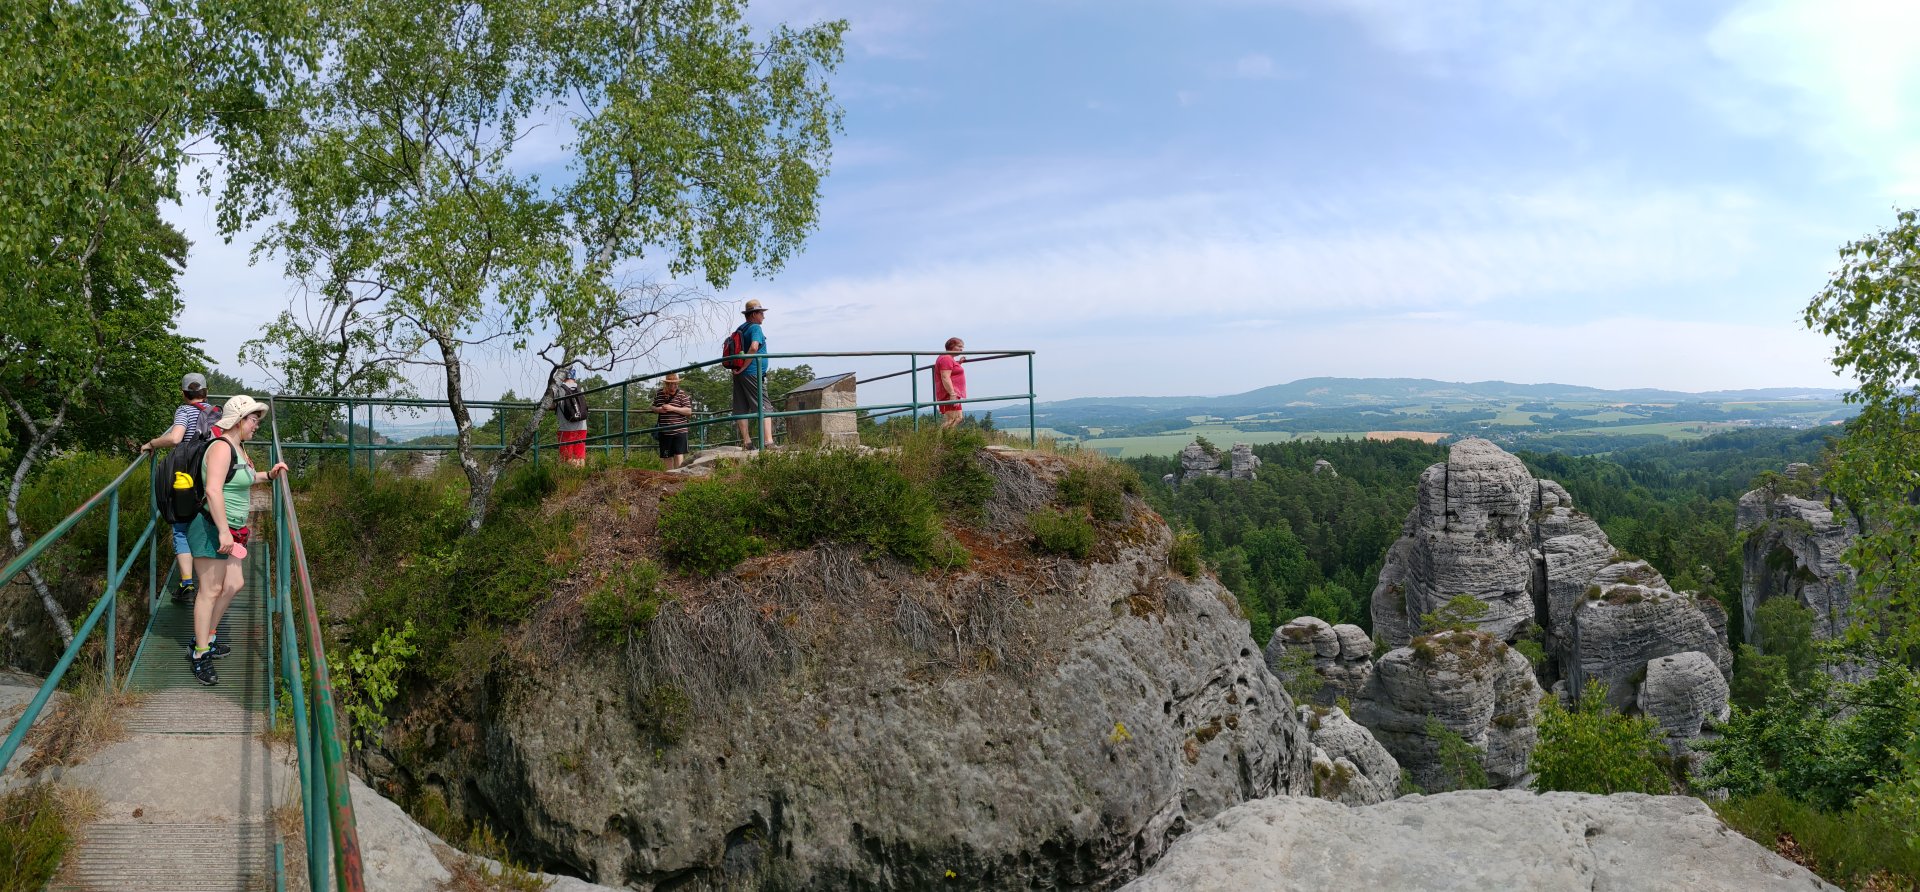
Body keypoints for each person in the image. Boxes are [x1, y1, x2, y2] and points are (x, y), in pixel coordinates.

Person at [186, 395, 287, 686]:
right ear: (239, 420)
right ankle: (200, 653)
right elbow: (213, 490)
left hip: (232, 530)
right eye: (254, 420)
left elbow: (242, 478)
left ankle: (206, 637)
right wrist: (223, 531)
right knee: (210, 590)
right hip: (212, 527)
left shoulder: (237, 448)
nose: (256, 425)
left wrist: (269, 474)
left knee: (233, 584)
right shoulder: (221, 448)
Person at [140, 373, 222, 606]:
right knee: (207, 522)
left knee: (181, 528)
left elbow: (176, 438)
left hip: (187, 475)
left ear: (184, 393)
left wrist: (152, 443)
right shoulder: (217, 412)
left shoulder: (184, 410)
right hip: (212, 473)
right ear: (206, 391)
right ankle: (212, 581)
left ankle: (187, 584)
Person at [731, 300, 774, 449]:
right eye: (761, 313)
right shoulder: (755, 328)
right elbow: (754, 347)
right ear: (754, 314)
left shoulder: (740, 329)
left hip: (739, 374)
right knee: (764, 406)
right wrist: (744, 367)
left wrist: (739, 368)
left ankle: (747, 442)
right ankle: (768, 442)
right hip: (752, 373)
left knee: (741, 407)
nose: (763, 316)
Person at [650, 372, 694, 469]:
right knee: (667, 456)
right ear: (666, 384)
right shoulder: (659, 393)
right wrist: (658, 409)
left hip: (679, 430)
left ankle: (678, 475)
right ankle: (669, 475)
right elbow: (652, 407)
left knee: (678, 454)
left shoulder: (682, 394)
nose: (674, 386)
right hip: (664, 431)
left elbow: (688, 411)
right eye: (671, 384)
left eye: (675, 383)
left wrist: (673, 408)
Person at [554, 368, 588, 466]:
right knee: (580, 456)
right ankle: (581, 474)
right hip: (582, 427)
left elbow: (551, 405)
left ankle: (569, 475)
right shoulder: (580, 388)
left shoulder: (559, 389)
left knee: (566, 457)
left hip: (566, 428)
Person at [934, 337, 967, 430]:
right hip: (949, 394)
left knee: (957, 418)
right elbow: (945, 377)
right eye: (959, 346)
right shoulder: (946, 358)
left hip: (952, 393)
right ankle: (938, 436)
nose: (961, 349)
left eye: (962, 347)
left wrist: (958, 363)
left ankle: (946, 437)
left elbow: (951, 370)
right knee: (951, 419)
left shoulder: (948, 358)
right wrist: (952, 394)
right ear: (952, 346)